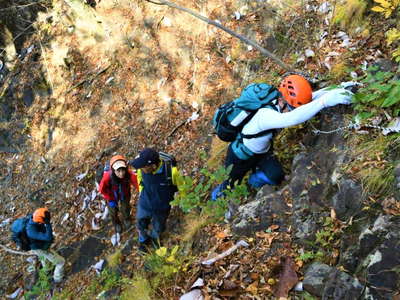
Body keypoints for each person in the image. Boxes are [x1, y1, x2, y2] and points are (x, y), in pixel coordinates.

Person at [212, 75, 355, 199]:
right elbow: (292, 118)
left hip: (262, 152)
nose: (292, 110)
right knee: (230, 183)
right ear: (282, 100)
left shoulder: (280, 101)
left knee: (276, 176)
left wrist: (336, 89)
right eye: (291, 108)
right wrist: (324, 102)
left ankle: (253, 181)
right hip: (240, 156)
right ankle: (220, 196)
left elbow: (307, 102)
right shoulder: (264, 115)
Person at [130, 148, 183, 251]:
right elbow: (140, 179)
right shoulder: (142, 170)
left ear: (153, 166)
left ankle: (155, 240)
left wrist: (183, 203)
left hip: (161, 209)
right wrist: (141, 192)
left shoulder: (171, 172)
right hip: (144, 204)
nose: (140, 168)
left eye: (143, 166)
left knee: (158, 228)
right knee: (140, 223)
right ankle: (143, 240)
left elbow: (181, 188)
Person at [99, 155, 139, 233]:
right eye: (118, 171)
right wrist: (109, 198)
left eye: (123, 170)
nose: (121, 174)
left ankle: (126, 218)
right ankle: (116, 223)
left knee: (125, 207)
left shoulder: (128, 174)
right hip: (112, 196)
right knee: (113, 211)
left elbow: (136, 183)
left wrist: (142, 191)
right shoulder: (107, 177)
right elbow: (102, 189)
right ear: (113, 170)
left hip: (125, 194)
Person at [26, 207, 65, 283]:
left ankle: (47, 271)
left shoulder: (33, 218)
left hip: (38, 247)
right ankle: (57, 279)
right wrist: (48, 224)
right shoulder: (31, 231)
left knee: (44, 258)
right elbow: (48, 237)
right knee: (61, 262)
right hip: (40, 249)